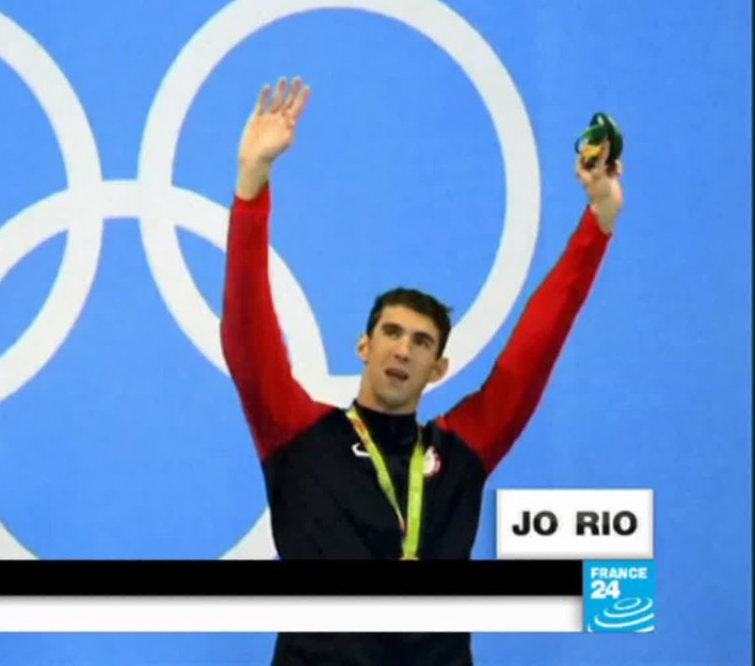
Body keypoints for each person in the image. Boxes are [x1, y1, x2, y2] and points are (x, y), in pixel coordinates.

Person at [219, 76, 623, 665]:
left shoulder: (461, 451)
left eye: (420, 341)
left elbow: (532, 352)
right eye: (390, 333)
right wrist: (252, 186)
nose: (402, 350)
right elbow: (246, 338)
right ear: (363, 345)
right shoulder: (297, 437)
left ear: (439, 368)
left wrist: (599, 224)